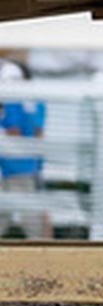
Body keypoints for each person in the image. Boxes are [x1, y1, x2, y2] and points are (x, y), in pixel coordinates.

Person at [0, 61, 51, 239]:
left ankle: (46, 254)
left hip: (18, 167)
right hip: (23, 166)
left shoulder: (15, 102)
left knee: (31, 217)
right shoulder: (35, 102)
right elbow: (38, 134)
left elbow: (16, 132)